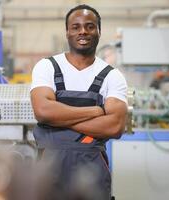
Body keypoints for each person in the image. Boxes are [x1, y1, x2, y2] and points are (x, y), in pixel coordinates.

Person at [30, 4, 127, 200]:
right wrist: (97, 111)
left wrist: (58, 117)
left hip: (93, 170)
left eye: (90, 26)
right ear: (67, 32)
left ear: (99, 31)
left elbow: (115, 126)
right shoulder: (47, 67)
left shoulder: (112, 76)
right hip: (49, 170)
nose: (83, 31)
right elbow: (43, 111)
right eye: (76, 26)